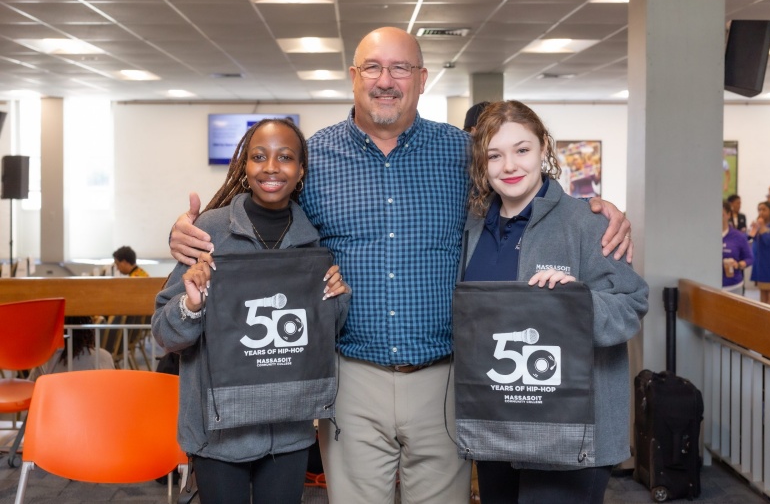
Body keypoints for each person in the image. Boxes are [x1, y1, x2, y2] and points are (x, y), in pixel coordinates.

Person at [167, 27, 634, 504]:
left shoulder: (463, 154)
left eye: (400, 68)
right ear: (353, 76)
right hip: (351, 378)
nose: (385, 80)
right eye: (373, 67)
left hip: (446, 379)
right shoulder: (316, 158)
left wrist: (595, 211)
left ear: (422, 78)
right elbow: (261, 209)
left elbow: (525, 197)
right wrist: (188, 229)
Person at [152, 118, 350, 504]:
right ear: (245, 167)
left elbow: (325, 335)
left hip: (289, 429)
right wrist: (192, 304)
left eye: (285, 157)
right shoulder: (210, 231)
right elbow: (165, 332)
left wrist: (337, 298)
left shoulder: (316, 239)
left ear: (301, 170)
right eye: (259, 156)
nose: (272, 167)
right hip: (219, 432)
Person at [461, 100, 648, 504]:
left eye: (522, 150)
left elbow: (632, 305)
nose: (509, 165)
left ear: (545, 147)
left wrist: (575, 303)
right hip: (499, 422)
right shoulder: (473, 227)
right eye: (495, 155)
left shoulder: (588, 222)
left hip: (570, 432)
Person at [30, 317, 115, 379]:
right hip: (95, 402)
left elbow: (33, 391)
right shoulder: (104, 357)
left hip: (57, 403)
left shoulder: (46, 360)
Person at [749, 201, 770, 306]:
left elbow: (769, 241)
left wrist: (762, 227)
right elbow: (749, 238)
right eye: (759, 210)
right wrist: (753, 229)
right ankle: (764, 313)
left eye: (764, 209)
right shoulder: (759, 224)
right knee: (762, 289)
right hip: (759, 260)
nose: (761, 212)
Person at [722, 200, 753, 293]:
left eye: (721, 214)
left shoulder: (738, 236)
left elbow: (749, 258)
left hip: (732, 286)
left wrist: (738, 264)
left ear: (728, 215)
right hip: (710, 285)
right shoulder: (706, 236)